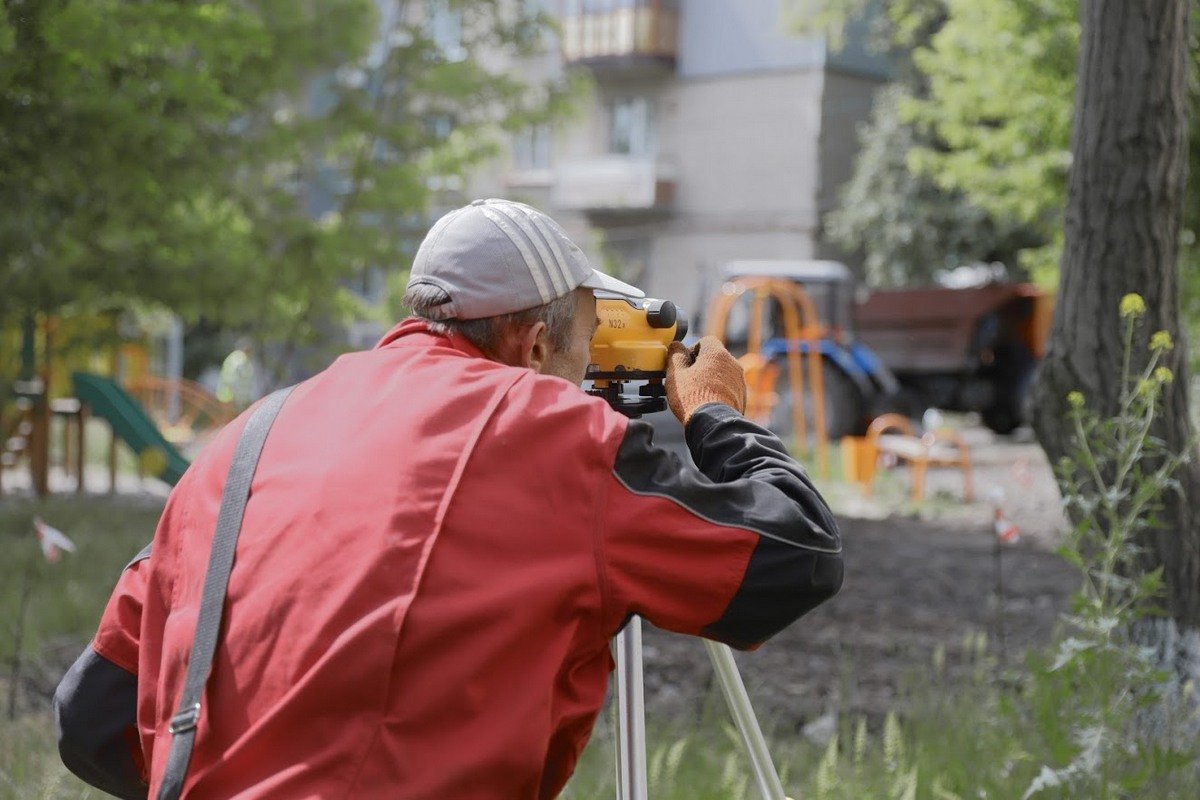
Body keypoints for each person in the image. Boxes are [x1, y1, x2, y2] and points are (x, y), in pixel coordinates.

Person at [55, 198, 843, 799]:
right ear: (532, 346)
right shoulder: (552, 433)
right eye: (577, 349)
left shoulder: (245, 439)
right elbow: (794, 554)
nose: (579, 379)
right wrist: (713, 412)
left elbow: (89, 718)